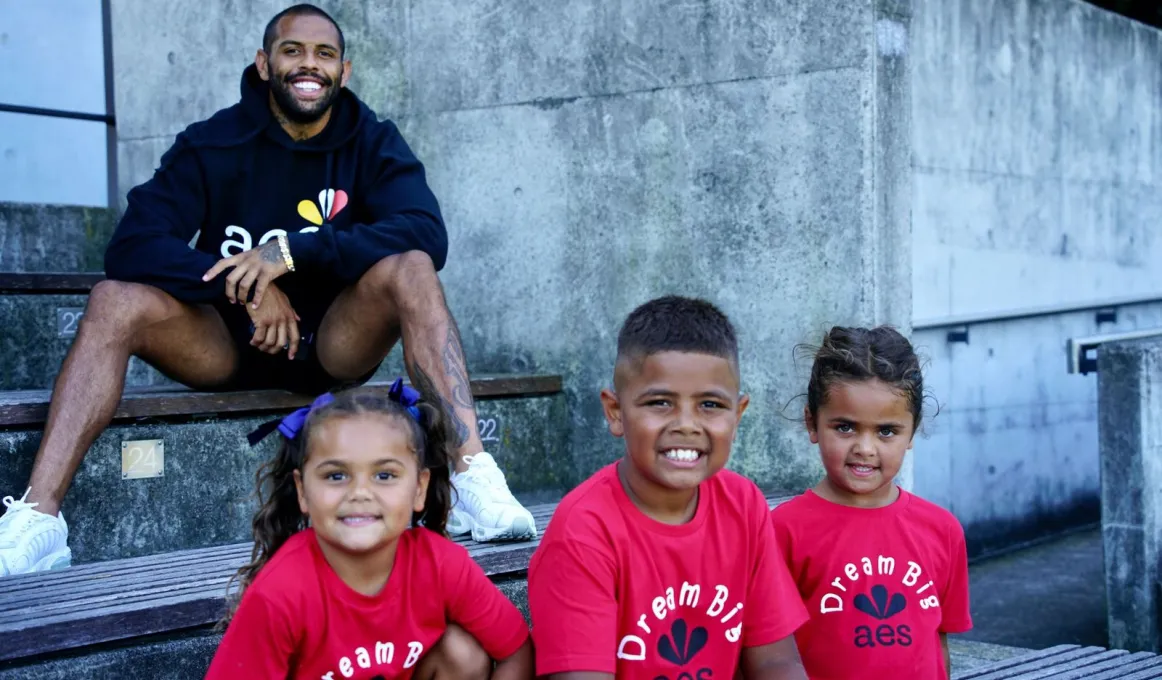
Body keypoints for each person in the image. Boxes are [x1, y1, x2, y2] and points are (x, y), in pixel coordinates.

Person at [0, 4, 535, 576]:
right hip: (225, 343)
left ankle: (471, 472)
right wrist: (249, 286)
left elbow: (427, 233)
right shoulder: (213, 143)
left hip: (334, 343)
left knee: (412, 268)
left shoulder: (373, 143)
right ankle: (40, 518)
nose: (310, 65)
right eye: (293, 51)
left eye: (324, 54)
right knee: (113, 299)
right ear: (264, 63)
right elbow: (132, 244)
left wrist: (288, 254)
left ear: (344, 71)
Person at [527, 296, 810, 679]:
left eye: (710, 405)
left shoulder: (744, 505)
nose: (687, 425)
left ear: (738, 415)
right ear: (615, 412)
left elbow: (778, 662)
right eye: (660, 402)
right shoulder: (583, 531)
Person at [205, 380, 533, 679]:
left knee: (462, 652)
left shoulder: (440, 563)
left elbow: (516, 650)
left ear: (419, 488)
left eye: (385, 475)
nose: (360, 492)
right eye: (336, 476)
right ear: (303, 490)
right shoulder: (279, 592)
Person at [770, 327, 972, 680]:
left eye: (886, 431)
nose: (865, 447)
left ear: (912, 431)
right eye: (845, 427)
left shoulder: (942, 530)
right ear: (812, 423)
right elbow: (766, 648)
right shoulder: (783, 530)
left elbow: (938, 641)